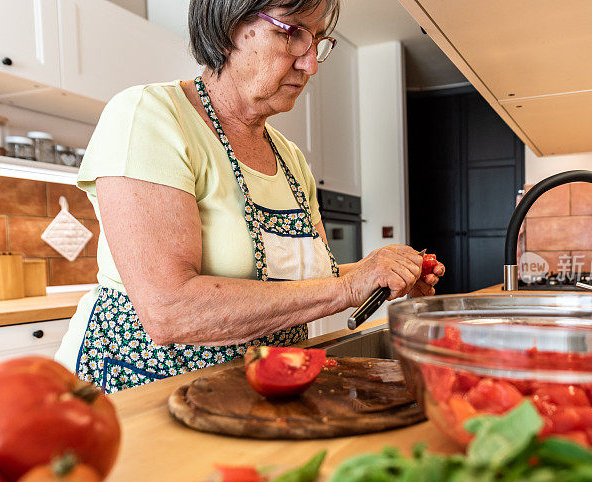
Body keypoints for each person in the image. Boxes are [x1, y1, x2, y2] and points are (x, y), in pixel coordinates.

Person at [55, 0, 445, 393]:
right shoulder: (149, 115)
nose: (310, 65)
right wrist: (350, 286)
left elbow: (308, 283)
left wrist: (377, 272)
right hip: (149, 389)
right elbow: (168, 311)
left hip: (262, 386)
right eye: (293, 35)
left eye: (318, 44)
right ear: (227, 29)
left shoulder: (289, 156)